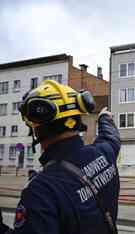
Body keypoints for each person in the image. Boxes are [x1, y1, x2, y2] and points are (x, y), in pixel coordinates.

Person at [0, 80, 120, 234]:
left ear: (37, 130)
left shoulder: (41, 191)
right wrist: (105, 118)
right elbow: (111, 137)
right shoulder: (104, 153)